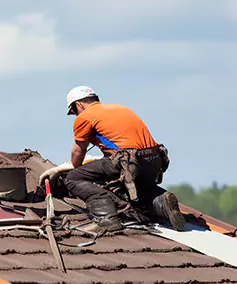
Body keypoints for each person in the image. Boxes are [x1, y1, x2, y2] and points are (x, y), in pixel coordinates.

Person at [41, 86, 186, 234]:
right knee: (125, 187)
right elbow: (123, 147)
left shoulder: (84, 117)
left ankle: (106, 218)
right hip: (154, 160)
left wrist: (70, 167)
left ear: (78, 105)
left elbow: (79, 150)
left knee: (74, 178)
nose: (75, 115)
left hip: (128, 162)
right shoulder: (120, 109)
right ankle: (160, 201)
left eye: (73, 111)